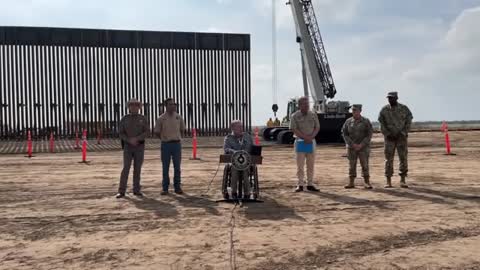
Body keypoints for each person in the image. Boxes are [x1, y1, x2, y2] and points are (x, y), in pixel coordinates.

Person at [116, 98, 150, 198]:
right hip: (128, 146)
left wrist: (137, 139)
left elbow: (147, 132)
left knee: (137, 168)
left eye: (136, 105)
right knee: (126, 168)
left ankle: (136, 189)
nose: (134, 107)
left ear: (139, 107)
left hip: (139, 146)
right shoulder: (124, 118)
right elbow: (121, 133)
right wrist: (129, 140)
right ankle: (121, 191)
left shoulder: (143, 119)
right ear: (129, 107)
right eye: (132, 105)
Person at [378, 91, 413, 188]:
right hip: (389, 139)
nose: (390, 99)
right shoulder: (384, 110)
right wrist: (387, 134)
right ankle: (388, 181)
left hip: (401, 138)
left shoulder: (404, 109)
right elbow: (381, 124)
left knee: (403, 158)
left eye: (392, 98)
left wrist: (403, 133)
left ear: (396, 98)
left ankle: (403, 180)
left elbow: (409, 121)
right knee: (388, 159)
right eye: (389, 98)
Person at [154, 98, 186, 195]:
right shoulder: (161, 118)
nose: (173, 106)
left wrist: (177, 137)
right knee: (165, 167)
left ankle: (177, 187)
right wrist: (164, 138)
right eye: (170, 104)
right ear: (166, 106)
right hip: (166, 145)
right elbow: (157, 132)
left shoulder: (178, 117)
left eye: (174, 104)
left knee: (177, 167)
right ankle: (165, 188)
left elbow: (182, 130)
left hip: (176, 144)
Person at [290, 96, 320, 192]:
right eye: (304, 104)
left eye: (308, 103)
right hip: (300, 141)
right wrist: (305, 137)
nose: (307, 105)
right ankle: (300, 184)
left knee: (311, 164)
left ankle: (310, 184)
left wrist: (311, 137)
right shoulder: (295, 116)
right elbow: (294, 129)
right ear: (299, 105)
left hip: (311, 141)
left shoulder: (313, 114)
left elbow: (317, 127)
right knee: (300, 165)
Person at [342, 104, 373, 189]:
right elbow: (344, 133)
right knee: (351, 165)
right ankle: (351, 182)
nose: (354, 112)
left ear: (360, 111)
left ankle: (367, 182)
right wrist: (352, 144)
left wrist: (361, 144)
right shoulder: (348, 121)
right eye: (353, 110)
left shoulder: (366, 121)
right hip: (351, 148)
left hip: (363, 148)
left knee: (365, 165)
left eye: (355, 110)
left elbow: (369, 134)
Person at [224, 120, 253, 199]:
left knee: (245, 169)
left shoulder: (247, 136)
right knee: (234, 169)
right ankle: (234, 192)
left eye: (241, 126)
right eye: (239, 127)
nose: (241, 128)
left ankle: (247, 193)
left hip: (246, 162)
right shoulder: (228, 138)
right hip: (234, 162)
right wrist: (235, 152)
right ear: (233, 128)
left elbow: (253, 148)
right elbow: (226, 149)